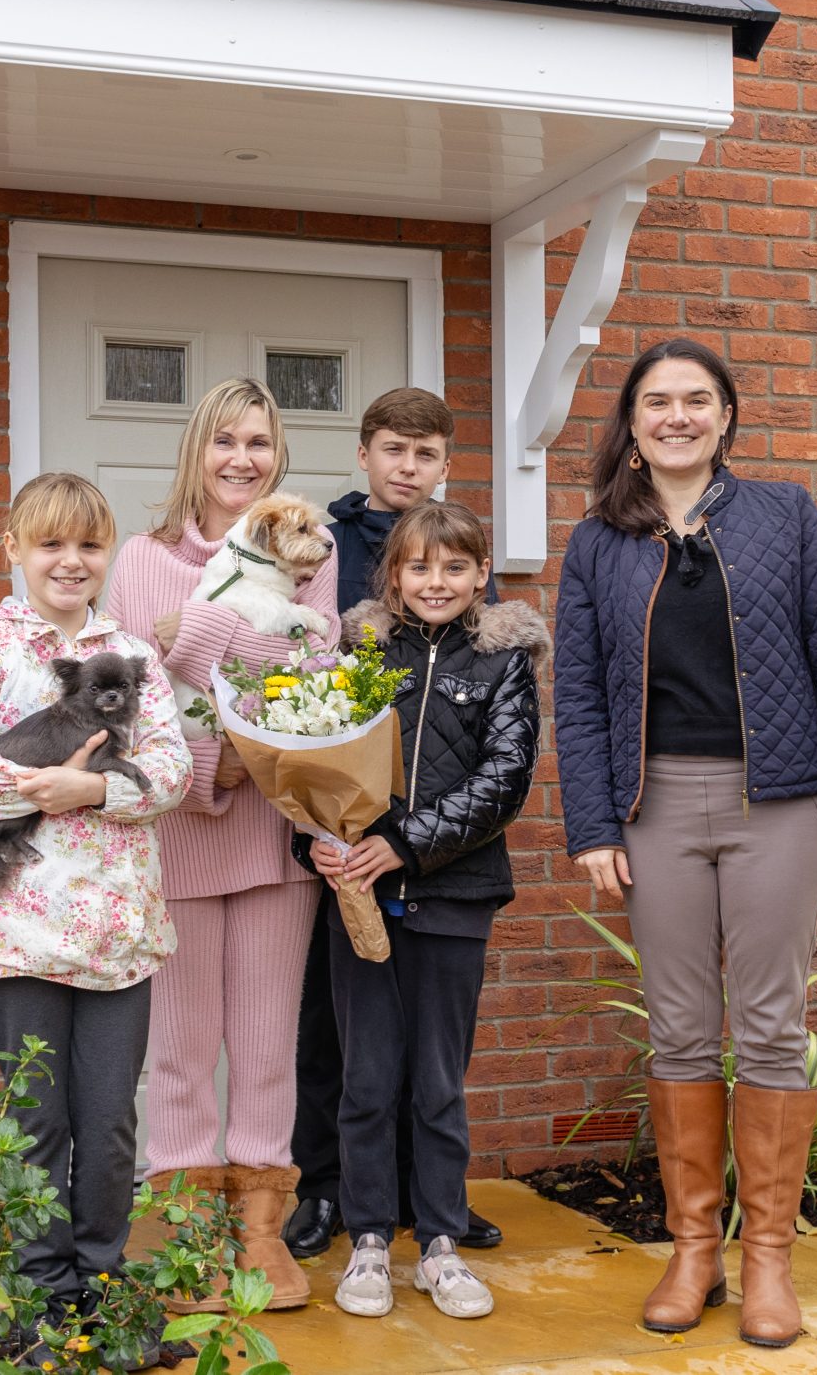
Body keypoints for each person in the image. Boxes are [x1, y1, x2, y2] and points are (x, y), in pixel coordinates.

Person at [552, 338, 817, 1351]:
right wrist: (589, 825)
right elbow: (575, 693)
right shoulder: (596, 542)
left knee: (773, 1025)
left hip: (778, 805)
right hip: (654, 810)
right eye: (657, 401)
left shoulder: (784, 516)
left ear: (726, 417)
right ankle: (692, 1248)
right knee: (679, 1030)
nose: (677, 416)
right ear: (631, 421)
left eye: (696, 400)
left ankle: (769, 1263)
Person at [0, 472, 192, 1329]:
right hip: (19, 930)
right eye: (51, 543)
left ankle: (100, 1291)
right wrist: (50, 784)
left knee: (108, 1124)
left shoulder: (131, 653)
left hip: (117, 932)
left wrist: (97, 795)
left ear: (108, 553)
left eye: (89, 544)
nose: (71, 561)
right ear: (14, 549)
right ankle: (41, 1302)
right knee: (37, 1124)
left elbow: (173, 770)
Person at [101, 378, 339, 1308]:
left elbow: (319, 671)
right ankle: (192, 1238)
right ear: (196, 450)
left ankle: (262, 1236)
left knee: (269, 1045)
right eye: (226, 441)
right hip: (183, 838)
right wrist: (211, 770)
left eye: (261, 442)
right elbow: (130, 697)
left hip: (276, 839)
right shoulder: (143, 557)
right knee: (182, 1049)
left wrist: (198, 632)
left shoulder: (306, 551)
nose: (244, 459)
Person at [313, 501, 547, 1321]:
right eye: (419, 567)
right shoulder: (359, 649)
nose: (436, 581)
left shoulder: (505, 661)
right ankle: (369, 1238)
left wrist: (406, 845)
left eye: (454, 567)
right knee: (368, 1077)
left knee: (438, 1081)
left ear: (481, 573)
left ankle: (440, 1243)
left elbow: (505, 776)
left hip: (454, 894)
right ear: (394, 575)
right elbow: (315, 756)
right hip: (362, 898)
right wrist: (325, 840)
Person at [288, 388, 503, 1259]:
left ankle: (428, 1198)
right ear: (365, 454)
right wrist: (317, 826)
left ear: (445, 464)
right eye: (391, 451)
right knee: (333, 1030)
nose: (406, 467)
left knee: (425, 1046)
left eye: (424, 454)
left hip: (433, 857)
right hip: (345, 839)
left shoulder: (474, 602)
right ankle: (328, 1188)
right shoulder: (322, 546)